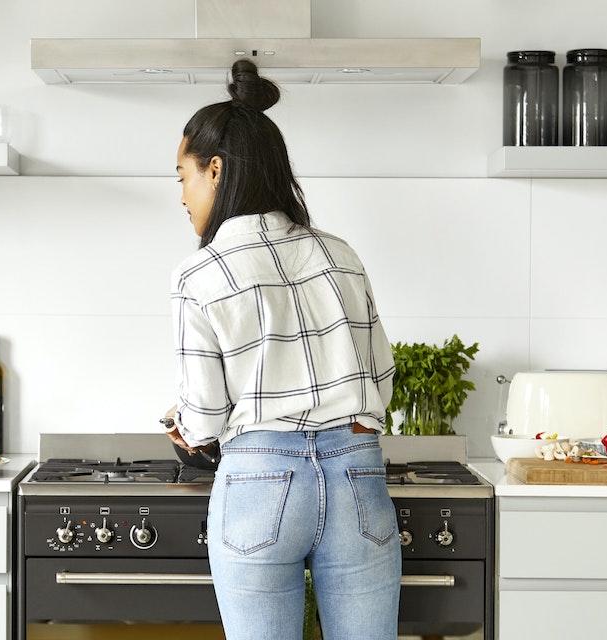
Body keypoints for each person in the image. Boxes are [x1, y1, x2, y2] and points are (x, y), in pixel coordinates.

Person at [162, 58, 401, 640]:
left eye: (183, 177)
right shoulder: (340, 253)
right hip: (356, 478)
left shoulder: (201, 274)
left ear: (214, 170)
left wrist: (185, 426)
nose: (183, 196)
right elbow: (382, 382)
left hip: (258, 483)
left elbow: (207, 419)